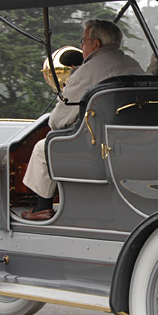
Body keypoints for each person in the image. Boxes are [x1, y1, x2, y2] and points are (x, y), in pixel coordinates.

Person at [22, 19, 143, 220]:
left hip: (95, 145)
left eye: (83, 41)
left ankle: (42, 206)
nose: (81, 46)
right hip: (132, 140)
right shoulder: (134, 64)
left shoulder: (86, 72)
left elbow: (58, 121)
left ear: (96, 44)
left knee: (43, 147)